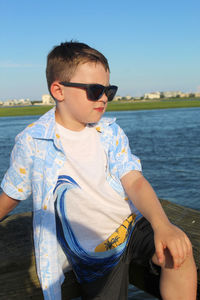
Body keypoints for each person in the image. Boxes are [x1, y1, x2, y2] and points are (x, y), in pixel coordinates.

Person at [0, 41, 197, 300]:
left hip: (132, 224)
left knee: (179, 251)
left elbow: (134, 181)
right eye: (94, 90)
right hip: (94, 252)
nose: (104, 98)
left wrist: (163, 226)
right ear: (58, 90)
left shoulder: (110, 133)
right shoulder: (34, 142)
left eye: (108, 90)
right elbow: (12, 192)